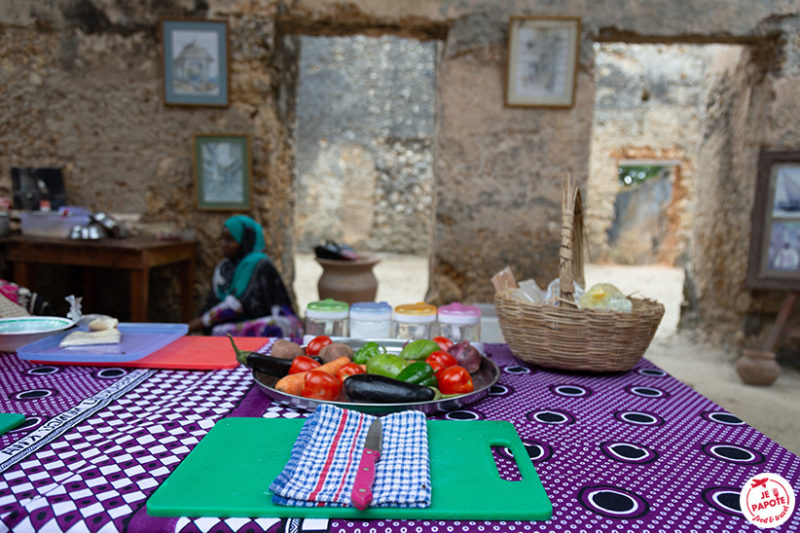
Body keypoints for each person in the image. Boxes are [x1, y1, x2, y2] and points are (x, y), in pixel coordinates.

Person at [188, 215, 302, 340]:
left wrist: (189, 327)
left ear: (244, 241)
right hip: (236, 324)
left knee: (219, 332)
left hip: (271, 322)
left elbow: (234, 306)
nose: (223, 244)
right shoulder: (224, 267)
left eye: (230, 240)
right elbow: (213, 302)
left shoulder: (255, 262)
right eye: (222, 239)